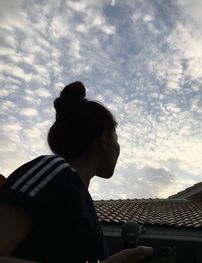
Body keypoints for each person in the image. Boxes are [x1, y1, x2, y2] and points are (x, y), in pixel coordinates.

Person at [0, 82, 153, 263]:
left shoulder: (81, 200)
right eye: (116, 138)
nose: (119, 148)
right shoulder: (53, 171)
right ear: (104, 139)